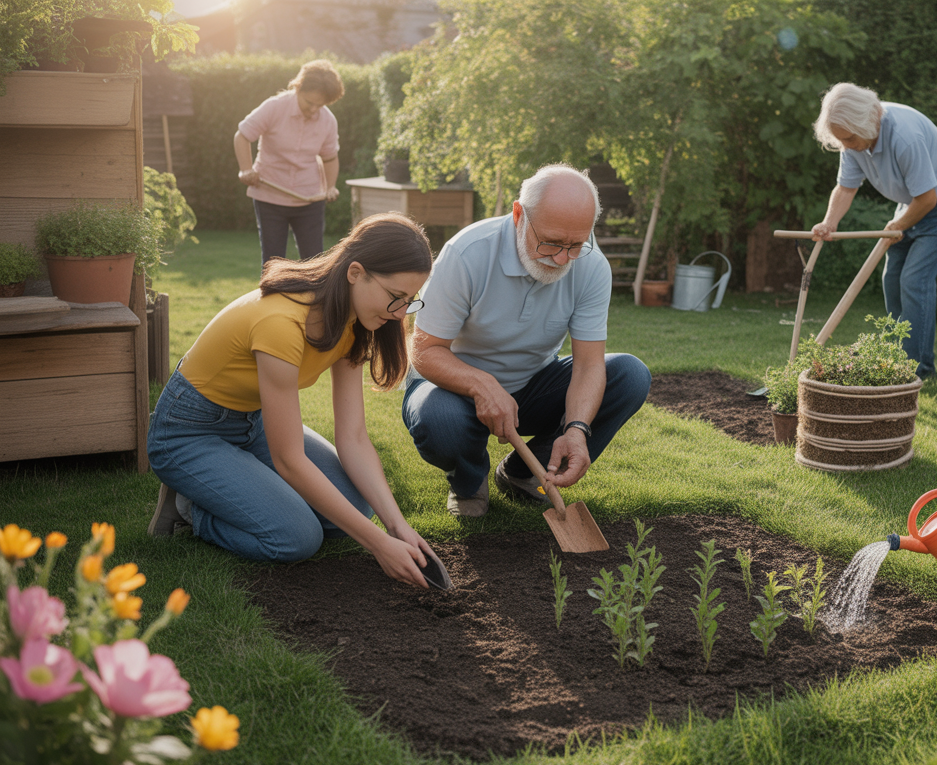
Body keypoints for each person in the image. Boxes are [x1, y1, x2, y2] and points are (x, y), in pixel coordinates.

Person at [148, 213, 440, 589]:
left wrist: (397, 527)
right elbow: (289, 460)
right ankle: (188, 507)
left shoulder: (354, 321)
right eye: (395, 297)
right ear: (356, 273)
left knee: (356, 507)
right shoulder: (282, 322)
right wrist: (379, 545)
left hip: (252, 423)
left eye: (409, 301)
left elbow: (353, 436)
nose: (400, 313)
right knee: (297, 537)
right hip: (188, 432)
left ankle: (236, 481)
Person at [401, 164, 651, 518]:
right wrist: (481, 384)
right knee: (439, 419)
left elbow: (589, 365)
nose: (562, 259)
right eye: (551, 242)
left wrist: (577, 429)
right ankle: (469, 482)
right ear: (519, 215)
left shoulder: (592, 266)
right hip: (451, 389)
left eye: (575, 245)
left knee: (630, 375)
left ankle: (522, 473)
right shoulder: (467, 253)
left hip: (532, 387)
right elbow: (424, 351)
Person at [810, 82, 937, 379]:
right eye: (840, 140)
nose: (845, 145)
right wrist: (829, 222)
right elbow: (845, 188)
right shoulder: (852, 139)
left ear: (867, 122)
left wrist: (898, 225)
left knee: (914, 280)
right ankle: (898, 357)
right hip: (912, 201)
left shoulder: (905, 137)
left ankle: (917, 369)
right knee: (892, 277)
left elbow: (928, 199)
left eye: (849, 138)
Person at [234, 59, 344, 264]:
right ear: (298, 87)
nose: (314, 109)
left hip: (310, 199)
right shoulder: (274, 107)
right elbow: (242, 136)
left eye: (320, 105)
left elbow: (330, 158)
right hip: (270, 195)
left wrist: (331, 187)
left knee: (314, 263)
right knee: (273, 262)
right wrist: (246, 169)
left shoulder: (328, 121)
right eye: (309, 102)